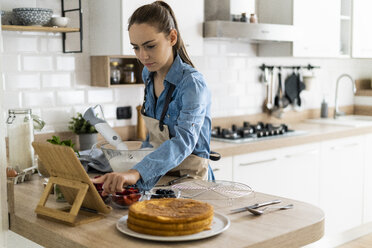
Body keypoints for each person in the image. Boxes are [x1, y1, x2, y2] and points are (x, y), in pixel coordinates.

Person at [93, 1, 217, 194]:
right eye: (136, 47)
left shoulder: (192, 83)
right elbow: (154, 137)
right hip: (159, 174)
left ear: (172, 37)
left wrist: (136, 172)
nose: (143, 56)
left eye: (150, 46)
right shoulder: (149, 75)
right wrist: (133, 170)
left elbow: (183, 141)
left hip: (191, 180)